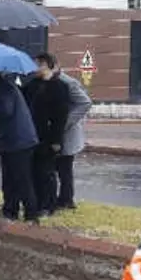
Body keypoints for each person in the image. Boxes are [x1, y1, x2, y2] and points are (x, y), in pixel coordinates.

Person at [0, 70, 39, 221]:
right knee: (9, 179)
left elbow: (5, 110)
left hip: (19, 141)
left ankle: (31, 215)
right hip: (8, 141)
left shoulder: (5, 88)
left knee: (22, 179)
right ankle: (10, 211)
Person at [21, 53, 70, 216]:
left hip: (48, 137)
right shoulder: (32, 85)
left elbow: (60, 117)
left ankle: (48, 205)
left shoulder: (59, 87)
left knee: (47, 172)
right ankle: (35, 202)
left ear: (46, 65)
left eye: (37, 64)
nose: (34, 68)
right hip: (31, 135)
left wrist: (57, 140)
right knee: (33, 171)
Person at [56, 67, 93, 210]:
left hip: (67, 134)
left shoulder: (68, 82)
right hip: (57, 133)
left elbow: (85, 103)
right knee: (59, 169)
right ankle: (62, 199)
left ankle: (66, 200)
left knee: (64, 169)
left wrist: (65, 122)